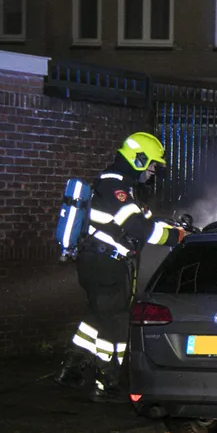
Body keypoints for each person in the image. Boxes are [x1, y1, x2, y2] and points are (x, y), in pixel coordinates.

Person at [55, 132, 186, 402]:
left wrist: (171, 225)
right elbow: (137, 228)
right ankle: (108, 382)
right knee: (116, 324)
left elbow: (144, 218)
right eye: (151, 165)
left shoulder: (121, 186)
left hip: (98, 264)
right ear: (138, 159)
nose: (152, 172)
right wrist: (176, 238)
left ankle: (72, 368)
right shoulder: (115, 186)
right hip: (106, 267)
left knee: (97, 316)